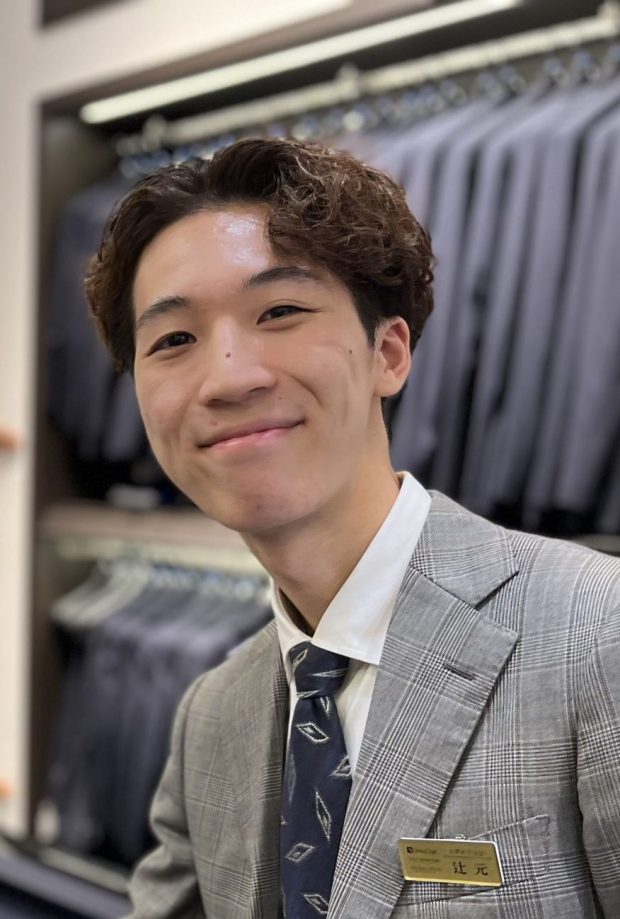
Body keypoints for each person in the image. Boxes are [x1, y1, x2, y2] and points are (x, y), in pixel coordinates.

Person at [85, 138, 620, 919]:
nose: (229, 376)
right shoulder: (214, 716)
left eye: (280, 312)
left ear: (389, 352)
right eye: (173, 340)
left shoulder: (595, 636)